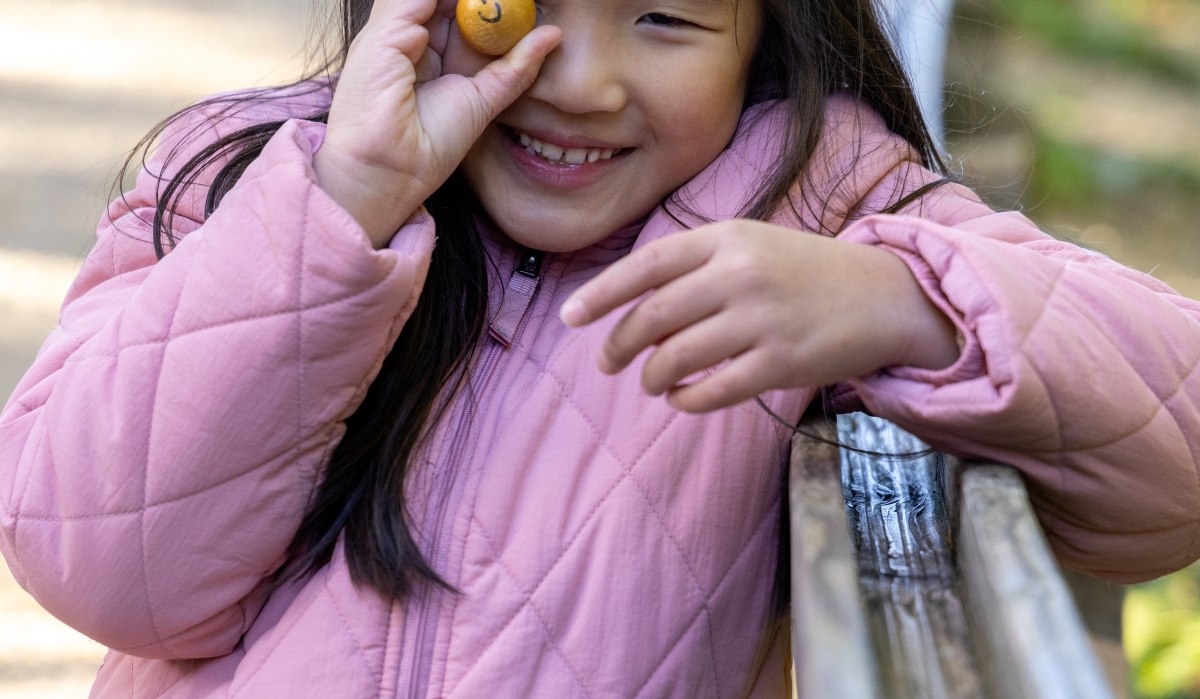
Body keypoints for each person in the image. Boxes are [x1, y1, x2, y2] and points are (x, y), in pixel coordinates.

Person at [1, 0, 1198, 695]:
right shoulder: (246, 178)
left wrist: (904, 302)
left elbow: (1178, 441)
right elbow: (101, 567)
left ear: (761, 34)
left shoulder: (817, 212)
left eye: (666, 17)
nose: (577, 81)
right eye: (511, 8)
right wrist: (334, 215)